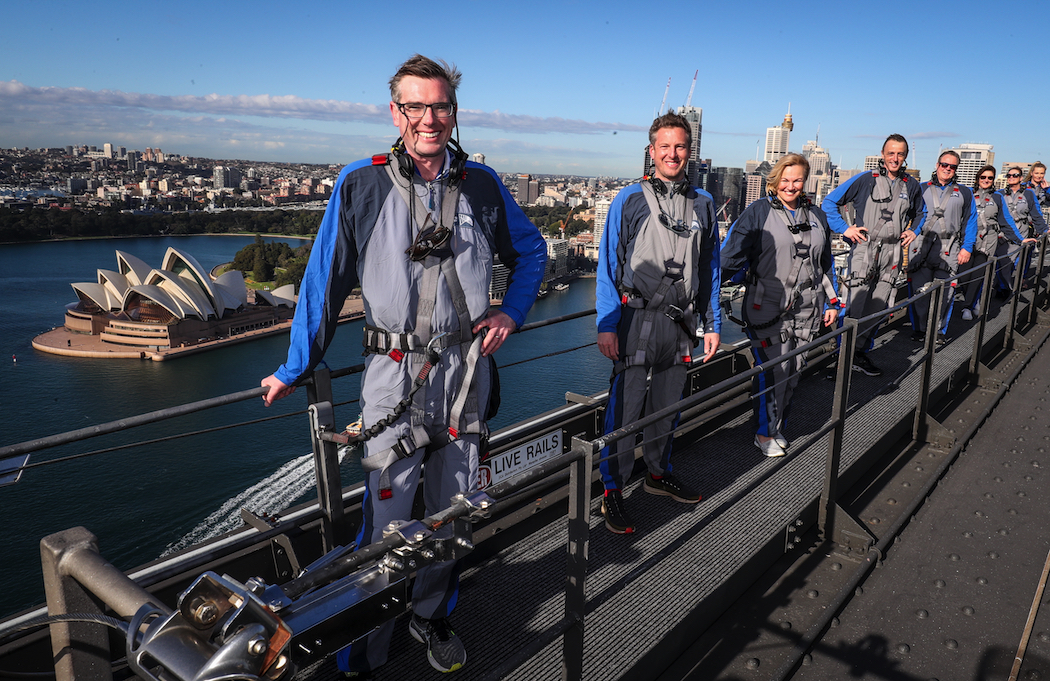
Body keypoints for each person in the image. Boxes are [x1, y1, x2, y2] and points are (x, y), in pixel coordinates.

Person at [260, 55, 546, 678]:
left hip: (466, 374)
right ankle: (371, 631)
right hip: (392, 373)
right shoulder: (359, 185)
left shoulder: (483, 184)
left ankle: (430, 611)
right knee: (388, 520)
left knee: (452, 511)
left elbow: (531, 252)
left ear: (453, 112)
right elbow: (324, 281)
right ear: (395, 113)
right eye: (415, 106)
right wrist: (294, 364)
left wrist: (511, 315)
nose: (428, 119)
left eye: (439, 106)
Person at [595, 111, 721, 534]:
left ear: (691, 151)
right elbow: (609, 264)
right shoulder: (629, 199)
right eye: (664, 146)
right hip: (636, 320)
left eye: (680, 146)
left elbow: (710, 267)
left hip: (681, 323)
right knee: (626, 410)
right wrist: (606, 323)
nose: (672, 153)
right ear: (651, 152)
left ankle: (656, 473)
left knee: (667, 408)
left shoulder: (703, 203)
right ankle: (612, 489)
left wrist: (713, 321)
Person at [721, 154, 839, 458]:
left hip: (808, 306)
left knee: (796, 367)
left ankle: (775, 427)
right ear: (774, 181)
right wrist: (706, 294)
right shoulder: (758, 212)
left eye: (797, 180)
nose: (791, 186)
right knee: (775, 369)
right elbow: (730, 256)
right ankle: (764, 432)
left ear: (806, 181)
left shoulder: (816, 215)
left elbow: (825, 263)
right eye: (785, 180)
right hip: (768, 305)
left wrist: (833, 301)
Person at [821, 134, 924, 377]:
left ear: (905, 156)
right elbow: (829, 203)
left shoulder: (911, 185)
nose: (895, 158)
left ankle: (857, 352)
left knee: (879, 306)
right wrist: (845, 229)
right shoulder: (865, 180)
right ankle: (842, 357)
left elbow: (921, 212)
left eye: (900, 154)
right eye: (891, 153)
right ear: (882, 154)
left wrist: (913, 230)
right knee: (855, 306)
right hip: (864, 250)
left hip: (893, 253)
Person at [904, 150, 977, 344]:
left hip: (949, 247)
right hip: (920, 245)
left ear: (956, 169)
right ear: (937, 165)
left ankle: (938, 331)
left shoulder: (964, 192)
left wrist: (967, 247)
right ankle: (919, 329)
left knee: (946, 292)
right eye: (944, 165)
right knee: (919, 291)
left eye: (952, 166)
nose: (947, 169)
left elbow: (970, 221)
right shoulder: (920, 188)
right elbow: (905, 214)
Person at [957, 165, 1028, 319]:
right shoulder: (968, 193)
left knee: (978, 273)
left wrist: (1021, 240)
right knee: (963, 275)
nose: (986, 180)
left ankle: (967, 307)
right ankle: (973, 300)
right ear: (978, 178)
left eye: (990, 177)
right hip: (968, 239)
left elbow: (1006, 221)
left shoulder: (997, 197)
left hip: (987, 241)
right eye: (983, 177)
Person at [998, 165, 1048, 294]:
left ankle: (1017, 281)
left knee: (1020, 260)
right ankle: (1004, 287)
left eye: (1015, 175)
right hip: (1004, 232)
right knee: (1003, 262)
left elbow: (1036, 214)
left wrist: (1044, 230)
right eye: (1009, 175)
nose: (1011, 178)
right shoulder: (999, 194)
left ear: (1020, 178)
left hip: (1023, 230)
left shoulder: (1029, 193)